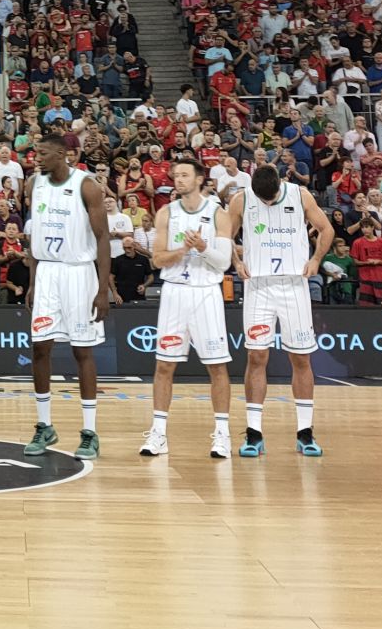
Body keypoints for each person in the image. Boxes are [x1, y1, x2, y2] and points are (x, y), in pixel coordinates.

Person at [21, 133, 113, 461]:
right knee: (40, 347)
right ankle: (44, 425)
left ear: (63, 154)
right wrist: (33, 282)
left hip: (79, 273)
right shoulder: (34, 185)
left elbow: (103, 239)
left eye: (43, 153)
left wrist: (102, 290)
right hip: (47, 272)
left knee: (81, 351)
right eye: (35, 152)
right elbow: (35, 238)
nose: (37, 157)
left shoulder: (86, 185)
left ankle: (89, 432)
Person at [234, 163, 334, 457]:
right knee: (256, 356)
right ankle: (254, 433)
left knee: (301, 358)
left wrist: (316, 260)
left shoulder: (300, 195)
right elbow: (223, 234)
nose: (266, 203)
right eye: (261, 199)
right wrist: (236, 262)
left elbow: (327, 229)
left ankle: (305, 432)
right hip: (259, 287)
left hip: (293, 285)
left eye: (270, 198)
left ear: (281, 184)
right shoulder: (241, 199)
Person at [142, 156, 236, 460]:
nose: (177, 179)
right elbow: (157, 259)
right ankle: (158, 433)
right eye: (175, 175)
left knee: (217, 366)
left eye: (184, 175)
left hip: (207, 293)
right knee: (164, 365)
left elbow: (224, 263)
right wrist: (182, 249)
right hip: (174, 293)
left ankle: (222, 434)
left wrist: (203, 248)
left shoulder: (219, 214)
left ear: (199, 179)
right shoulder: (166, 213)